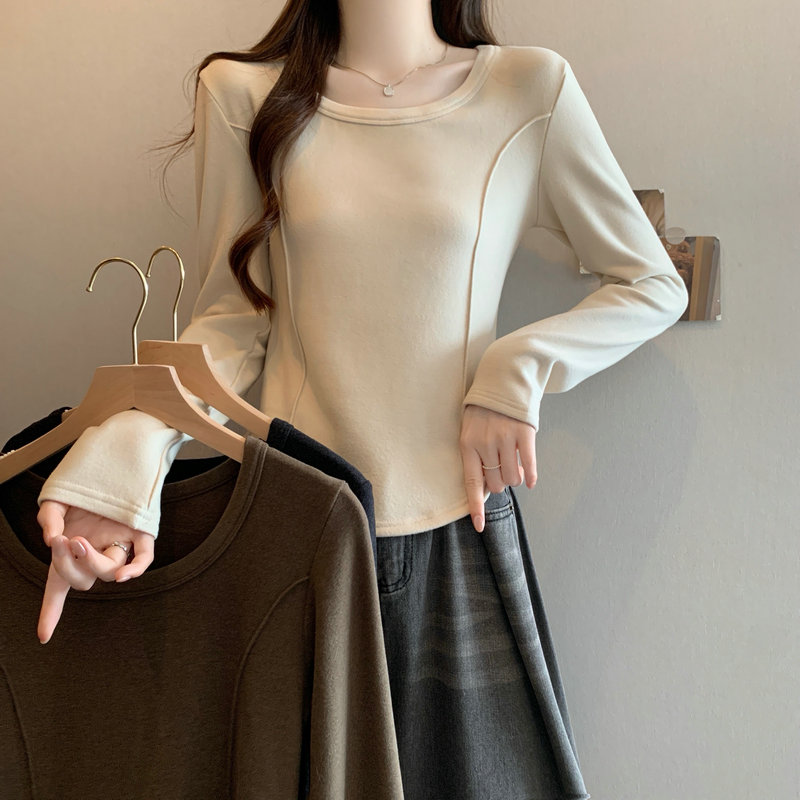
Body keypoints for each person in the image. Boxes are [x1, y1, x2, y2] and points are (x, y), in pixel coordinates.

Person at [34, 0, 689, 797]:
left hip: (458, 531)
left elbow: (652, 283)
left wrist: (518, 368)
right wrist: (131, 449)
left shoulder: (528, 90)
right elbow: (234, 321)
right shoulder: (242, 95)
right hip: (294, 532)